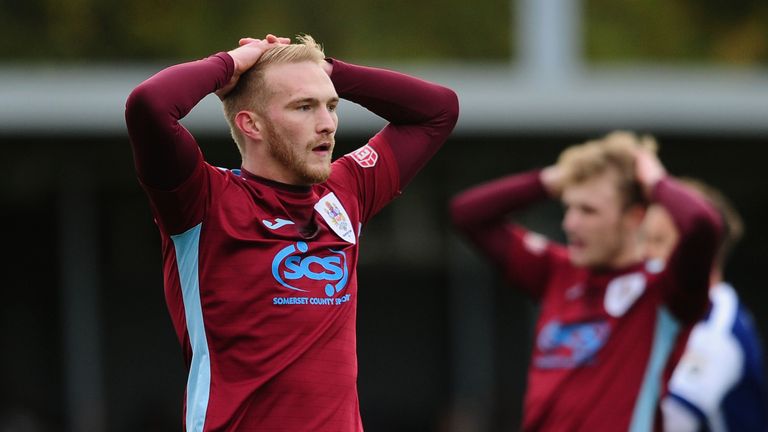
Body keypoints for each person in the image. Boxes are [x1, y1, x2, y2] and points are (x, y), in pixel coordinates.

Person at [125, 34, 458, 431]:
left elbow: (439, 109)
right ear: (252, 124)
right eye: (304, 107)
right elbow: (149, 105)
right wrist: (231, 63)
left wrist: (327, 71)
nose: (327, 124)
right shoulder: (202, 201)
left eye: (331, 106)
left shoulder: (346, 191)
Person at [450, 132, 721, 431]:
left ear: (635, 216)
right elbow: (467, 214)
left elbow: (701, 224)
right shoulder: (558, 271)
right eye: (568, 207)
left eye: (588, 211)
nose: (570, 224)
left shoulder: (664, 291)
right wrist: (550, 179)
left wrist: (656, 181)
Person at [643, 179, 768, 432]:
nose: (644, 254)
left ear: (699, 251)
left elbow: (674, 421)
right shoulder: (661, 312)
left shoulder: (718, 326)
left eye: (658, 241)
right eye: (643, 239)